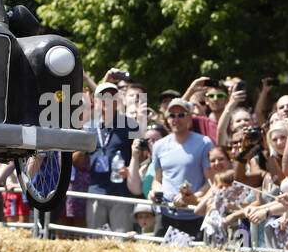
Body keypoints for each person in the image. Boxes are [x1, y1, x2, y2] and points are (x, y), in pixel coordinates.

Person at [149, 98, 215, 238]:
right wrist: (155, 192)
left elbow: (210, 181)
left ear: (189, 117)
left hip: (193, 215)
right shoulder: (159, 145)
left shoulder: (204, 142)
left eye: (181, 115)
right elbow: (157, 179)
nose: (176, 119)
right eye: (172, 115)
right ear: (167, 118)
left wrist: (190, 198)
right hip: (165, 214)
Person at [84, 82, 137, 232]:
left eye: (112, 96)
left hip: (120, 192)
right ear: (96, 101)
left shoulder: (130, 125)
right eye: (103, 96)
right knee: (95, 243)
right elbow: (77, 163)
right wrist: (80, 148)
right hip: (96, 190)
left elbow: (143, 155)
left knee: (121, 241)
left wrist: (131, 170)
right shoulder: (89, 127)